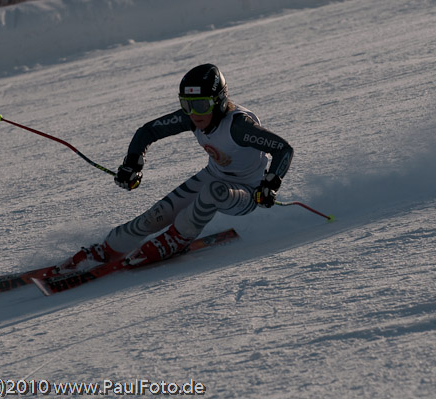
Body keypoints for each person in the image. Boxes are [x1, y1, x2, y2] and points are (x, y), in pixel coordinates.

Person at [58, 63, 293, 271]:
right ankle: (109, 248)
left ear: (219, 101)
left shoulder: (238, 127)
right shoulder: (193, 117)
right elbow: (147, 131)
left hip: (247, 194)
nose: (193, 114)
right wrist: (132, 165)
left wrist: (269, 185)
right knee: (153, 218)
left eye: (200, 105)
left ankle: (178, 238)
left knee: (214, 191)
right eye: (187, 105)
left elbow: (283, 148)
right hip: (212, 177)